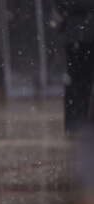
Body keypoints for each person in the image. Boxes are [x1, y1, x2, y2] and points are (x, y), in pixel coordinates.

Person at [54, 0, 94, 136]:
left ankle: (77, 124)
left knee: (78, 81)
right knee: (78, 81)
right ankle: (75, 124)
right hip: (78, 36)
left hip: (77, 34)